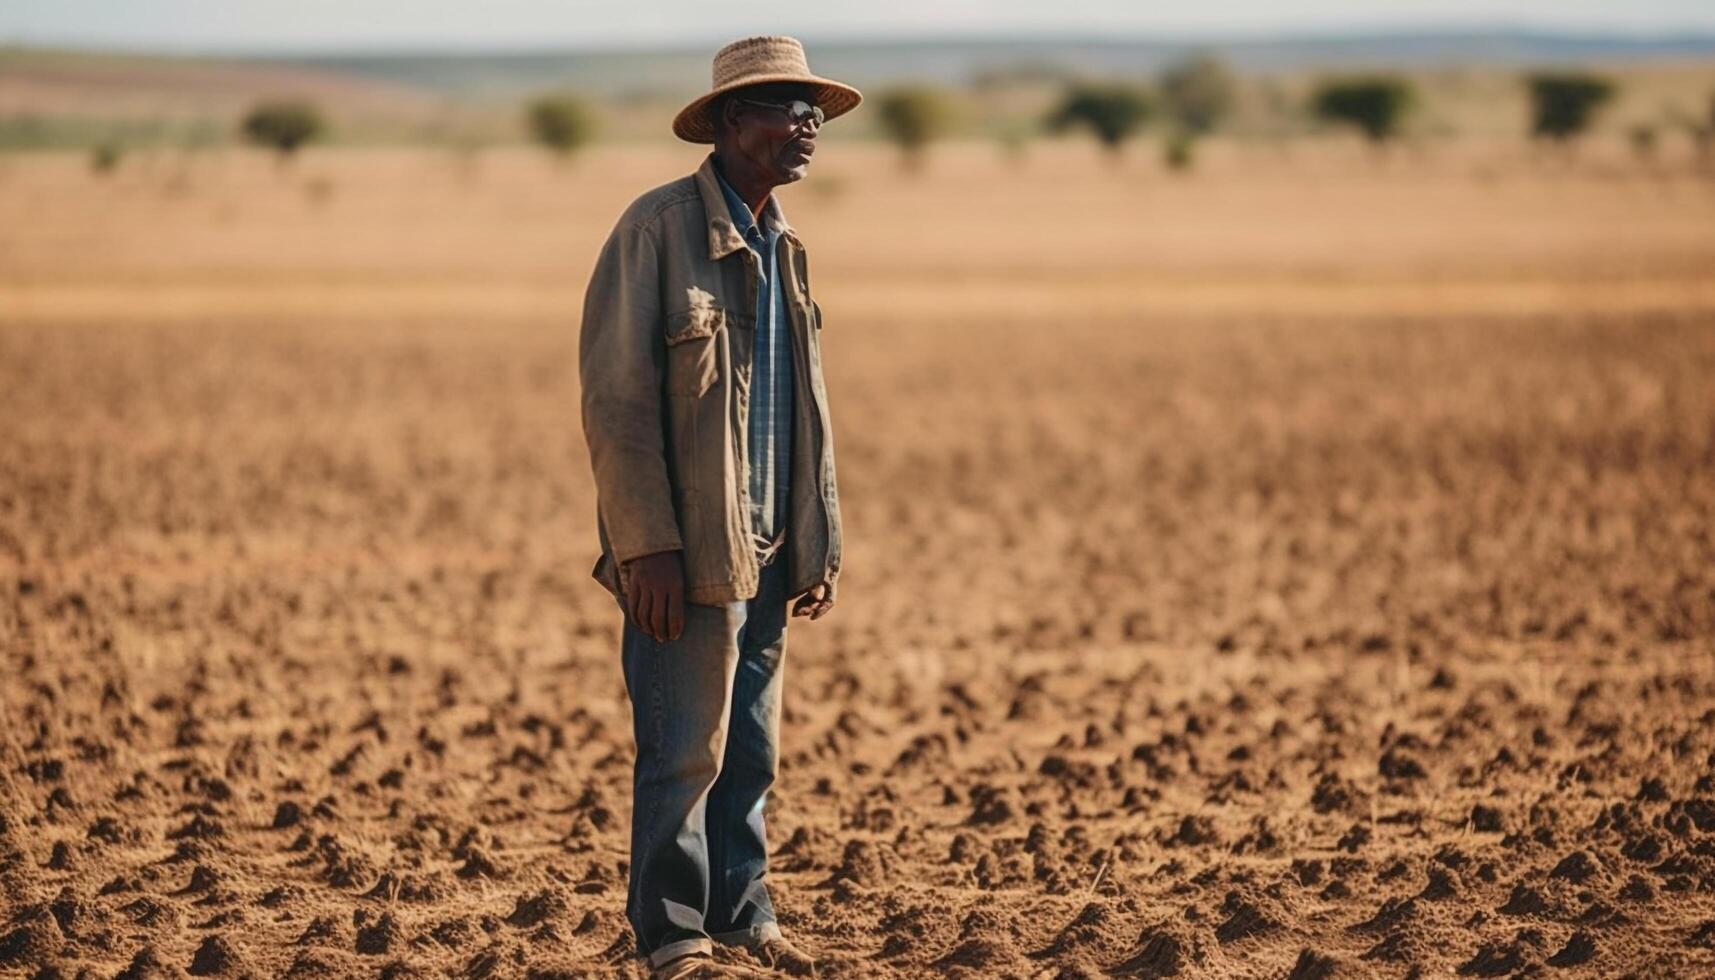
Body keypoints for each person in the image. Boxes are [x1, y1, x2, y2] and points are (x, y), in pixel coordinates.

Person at [577, 35, 859, 980]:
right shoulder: (656, 231)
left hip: (770, 545)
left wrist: (815, 539)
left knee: (752, 750)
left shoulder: (785, 247)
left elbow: (801, 406)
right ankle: (673, 937)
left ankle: (743, 914)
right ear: (732, 122)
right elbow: (616, 403)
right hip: (688, 550)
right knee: (682, 753)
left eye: (812, 110)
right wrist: (644, 544)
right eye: (785, 108)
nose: (807, 125)